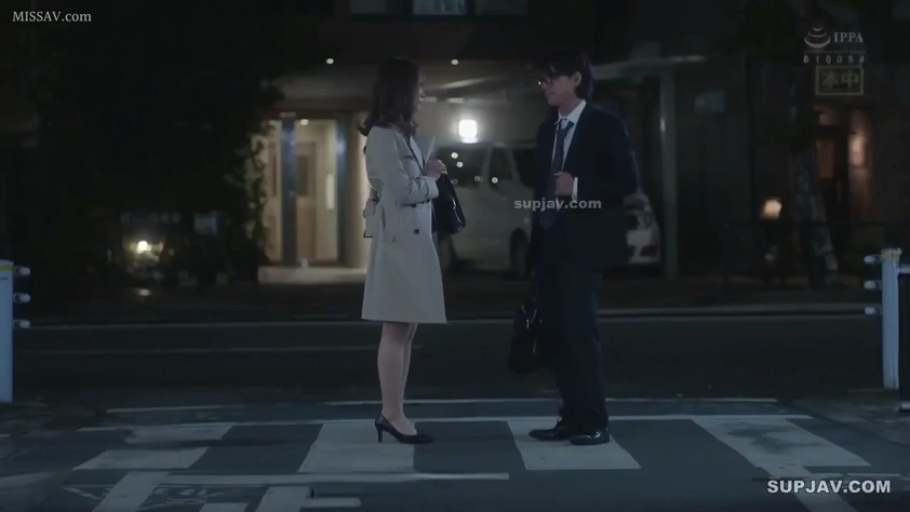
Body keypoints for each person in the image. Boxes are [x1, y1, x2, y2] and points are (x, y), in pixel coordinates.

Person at [526, 48, 639, 446]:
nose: (545, 87)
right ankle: (571, 415)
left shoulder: (604, 124)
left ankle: (593, 419)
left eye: (552, 79)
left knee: (578, 332)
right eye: (542, 80)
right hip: (550, 243)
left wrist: (576, 187)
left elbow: (627, 181)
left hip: (586, 245)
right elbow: (541, 188)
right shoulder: (547, 130)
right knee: (555, 334)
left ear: (576, 79)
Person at [360, 57, 448, 445]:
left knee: (406, 328)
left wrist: (426, 174)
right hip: (398, 244)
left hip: (410, 241)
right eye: (419, 86)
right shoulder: (383, 135)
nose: (423, 93)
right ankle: (391, 413)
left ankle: (395, 411)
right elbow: (403, 190)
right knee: (396, 328)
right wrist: (432, 181)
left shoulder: (400, 134)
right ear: (402, 90)